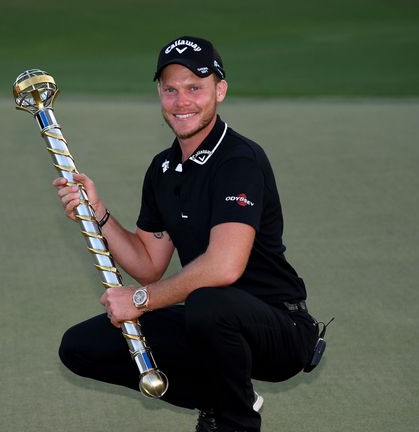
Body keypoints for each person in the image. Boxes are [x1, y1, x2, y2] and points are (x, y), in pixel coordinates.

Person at [54, 35, 319, 432]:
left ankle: (233, 422)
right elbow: (148, 263)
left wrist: (139, 301)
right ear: (159, 94)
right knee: (81, 346)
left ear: (220, 90)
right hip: (210, 323)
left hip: (278, 328)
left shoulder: (239, 160)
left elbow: (223, 268)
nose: (182, 102)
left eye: (195, 88)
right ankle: (222, 398)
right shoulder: (163, 169)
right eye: (170, 90)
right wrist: (99, 215)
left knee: (208, 302)